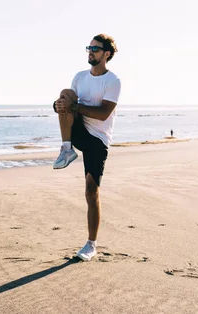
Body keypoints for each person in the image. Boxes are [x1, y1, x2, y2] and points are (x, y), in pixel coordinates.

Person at [52, 34, 121, 262]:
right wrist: (60, 105)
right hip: (78, 131)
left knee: (91, 191)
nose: (90, 51)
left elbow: (103, 114)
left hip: (98, 140)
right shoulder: (80, 77)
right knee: (66, 93)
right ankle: (66, 148)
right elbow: (69, 107)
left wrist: (73, 106)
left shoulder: (112, 81)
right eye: (89, 48)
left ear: (106, 54)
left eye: (95, 48)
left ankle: (91, 245)